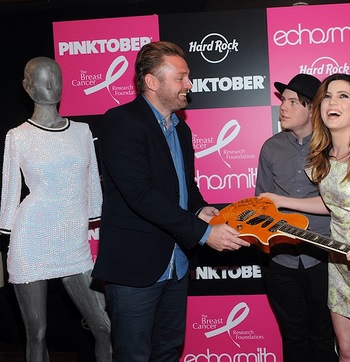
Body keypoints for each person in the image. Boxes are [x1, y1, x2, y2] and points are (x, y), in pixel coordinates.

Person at [91, 41, 250, 362]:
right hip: (135, 269)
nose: (189, 84)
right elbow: (140, 195)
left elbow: (183, 187)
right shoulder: (120, 121)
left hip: (176, 265)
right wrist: (204, 234)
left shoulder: (181, 129)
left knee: (167, 350)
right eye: (180, 77)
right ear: (152, 82)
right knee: (133, 355)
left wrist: (201, 210)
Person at [260, 73, 350, 362]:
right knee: (348, 352)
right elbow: (330, 205)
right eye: (327, 96)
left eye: (343, 96)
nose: (332, 102)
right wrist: (280, 200)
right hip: (339, 264)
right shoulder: (322, 158)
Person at [0, 56, 111, 361]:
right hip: (31, 241)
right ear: (27, 86)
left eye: (56, 77)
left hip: (74, 243)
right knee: (36, 333)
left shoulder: (83, 131)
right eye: (42, 79)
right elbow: (10, 190)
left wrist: (94, 215)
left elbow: (91, 182)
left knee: (103, 326)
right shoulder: (18, 136)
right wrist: (6, 229)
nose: (51, 84)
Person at [255, 74, 336, 362]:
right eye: (283, 101)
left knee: (324, 335)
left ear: (312, 108)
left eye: (292, 101)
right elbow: (261, 203)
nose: (283, 107)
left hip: (325, 256)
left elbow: (343, 204)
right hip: (280, 258)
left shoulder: (334, 147)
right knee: (293, 336)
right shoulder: (271, 147)